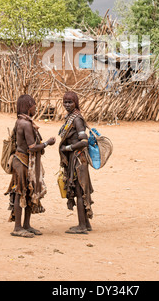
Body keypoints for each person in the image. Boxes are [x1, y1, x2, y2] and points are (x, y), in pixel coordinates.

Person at [5, 94, 56, 238]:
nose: (36, 108)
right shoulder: (26, 124)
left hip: (23, 161)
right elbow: (32, 147)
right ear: (28, 106)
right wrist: (47, 143)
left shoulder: (21, 121)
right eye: (34, 105)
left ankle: (26, 225)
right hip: (22, 162)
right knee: (20, 193)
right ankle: (17, 227)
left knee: (28, 192)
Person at [59, 91, 94, 235]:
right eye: (65, 102)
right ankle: (86, 223)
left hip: (78, 159)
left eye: (70, 102)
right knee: (80, 191)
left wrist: (67, 148)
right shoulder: (71, 117)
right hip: (75, 158)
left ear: (76, 103)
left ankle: (81, 226)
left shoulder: (77, 119)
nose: (67, 105)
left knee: (79, 191)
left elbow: (84, 141)